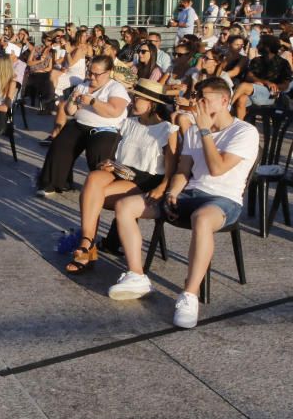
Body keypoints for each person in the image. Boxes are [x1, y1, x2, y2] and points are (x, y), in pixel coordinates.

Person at [108, 77, 259, 329]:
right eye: (197, 97)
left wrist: (204, 131)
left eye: (205, 98)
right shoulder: (194, 130)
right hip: (190, 193)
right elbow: (183, 169)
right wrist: (173, 191)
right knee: (126, 206)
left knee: (201, 219)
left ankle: (190, 295)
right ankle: (137, 275)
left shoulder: (244, 132)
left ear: (224, 101)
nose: (198, 103)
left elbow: (217, 167)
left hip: (224, 200)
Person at [65, 79, 177, 274]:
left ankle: (87, 249)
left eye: (137, 98)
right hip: (121, 170)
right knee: (93, 178)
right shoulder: (129, 122)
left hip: (147, 179)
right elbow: (117, 154)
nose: (132, 101)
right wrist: (108, 164)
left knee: (93, 195)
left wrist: (162, 188)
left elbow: (172, 168)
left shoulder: (167, 130)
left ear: (151, 104)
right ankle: (87, 242)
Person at [37, 55, 130, 196]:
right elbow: (70, 111)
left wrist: (93, 102)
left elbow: (115, 111)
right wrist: (72, 101)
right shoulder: (83, 85)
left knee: (99, 150)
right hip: (80, 124)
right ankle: (55, 183)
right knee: (60, 144)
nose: (92, 77)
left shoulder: (115, 88)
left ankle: (104, 187)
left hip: (106, 129)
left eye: (96, 74)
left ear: (108, 72)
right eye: (90, 72)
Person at [231, 35, 291, 120]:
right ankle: (241, 127)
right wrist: (264, 82)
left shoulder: (283, 63)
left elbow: (286, 85)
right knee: (241, 99)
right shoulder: (257, 60)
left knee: (244, 86)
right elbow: (249, 76)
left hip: (271, 95)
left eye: (260, 43)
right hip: (255, 91)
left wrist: (271, 85)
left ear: (267, 47)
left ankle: (227, 108)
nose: (257, 46)